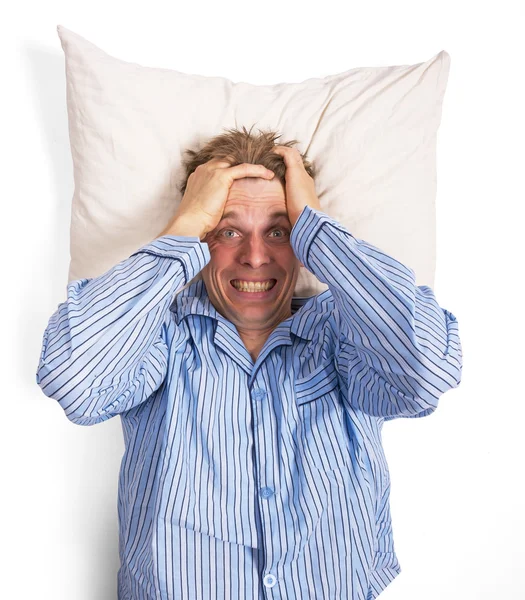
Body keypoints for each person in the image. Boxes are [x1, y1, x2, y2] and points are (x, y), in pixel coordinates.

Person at [36, 125, 463, 600]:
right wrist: (186, 224)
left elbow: (428, 372)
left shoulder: (344, 331)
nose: (255, 257)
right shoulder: (159, 334)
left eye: (279, 231)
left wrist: (319, 231)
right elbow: (72, 378)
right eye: (228, 230)